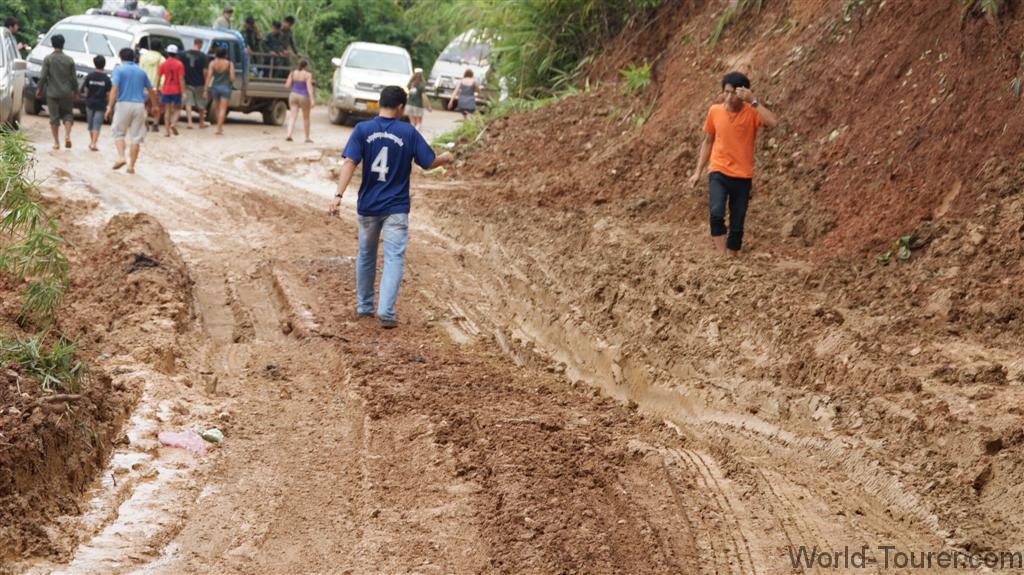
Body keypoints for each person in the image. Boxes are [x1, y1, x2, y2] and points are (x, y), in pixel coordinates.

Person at [329, 86, 455, 329]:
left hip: (368, 206)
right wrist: (446, 157)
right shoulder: (408, 132)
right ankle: (386, 311)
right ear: (401, 107)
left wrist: (338, 194)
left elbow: (349, 162)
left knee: (366, 255)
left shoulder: (362, 130)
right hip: (396, 207)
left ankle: (364, 306)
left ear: (379, 104)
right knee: (394, 257)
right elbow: (428, 162)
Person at [688, 71, 777, 256]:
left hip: (743, 175)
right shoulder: (715, 111)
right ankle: (722, 259)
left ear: (743, 93)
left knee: (737, 224)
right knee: (716, 212)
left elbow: (773, 122)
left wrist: (753, 101)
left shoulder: (752, 112)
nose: (728, 97)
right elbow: (708, 141)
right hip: (718, 171)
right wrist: (698, 172)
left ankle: (731, 259)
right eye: (726, 92)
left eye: (733, 93)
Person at [106, 47, 154, 174]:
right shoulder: (141, 71)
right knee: (136, 138)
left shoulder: (119, 70)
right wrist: (155, 105)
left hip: (123, 104)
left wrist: (109, 106)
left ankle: (122, 157)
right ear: (134, 58)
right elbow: (151, 90)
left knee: (118, 133)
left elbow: (114, 89)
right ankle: (131, 166)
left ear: (121, 57)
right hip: (139, 105)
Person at [36, 34, 77, 150]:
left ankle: (56, 143)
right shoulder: (69, 60)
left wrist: (39, 89)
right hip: (66, 92)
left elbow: (43, 76)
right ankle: (67, 136)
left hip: (52, 93)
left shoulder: (48, 59)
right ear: (63, 44)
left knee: (54, 117)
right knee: (68, 114)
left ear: (52, 44)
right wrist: (76, 91)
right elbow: (73, 78)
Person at [81, 55, 112, 151]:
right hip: (101, 104)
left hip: (90, 103)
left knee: (90, 124)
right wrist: (108, 104)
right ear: (104, 65)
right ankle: (94, 143)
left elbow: (85, 90)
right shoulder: (106, 78)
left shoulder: (89, 76)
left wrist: (88, 96)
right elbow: (108, 93)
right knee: (97, 124)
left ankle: (92, 142)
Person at [205, 47, 234, 135]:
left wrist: (205, 90)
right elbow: (232, 78)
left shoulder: (212, 63)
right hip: (225, 87)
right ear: (225, 54)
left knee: (217, 109)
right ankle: (219, 128)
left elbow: (209, 77)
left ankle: (219, 128)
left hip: (215, 87)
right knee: (223, 109)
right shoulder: (229, 64)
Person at [157, 44, 185, 136]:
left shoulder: (163, 64)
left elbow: (159, 77)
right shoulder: (179, 64)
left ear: (167, 53)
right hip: (176, 89)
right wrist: (183, 91)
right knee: (177, 109)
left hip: (166, 89)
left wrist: (157, 89)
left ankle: (166, 131)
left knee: (167, 110)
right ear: (176, 54)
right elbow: (181, 78)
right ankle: (173, 124)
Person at [182, 38, 209, 129]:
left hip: (187, 82)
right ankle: (201, 122)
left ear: (194, 43)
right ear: (200, 44)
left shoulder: (184, 54)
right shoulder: (203, 56)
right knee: (201, 103)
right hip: (199, 83)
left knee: (188, 103)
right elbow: (205, 72)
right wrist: (206, 84)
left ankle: (190, 122)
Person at [285, 59, 314, 143]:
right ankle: (307, 137)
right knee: (306, 118)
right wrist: (312, 99)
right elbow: (309, 88)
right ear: (306, 66)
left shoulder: (293, 73)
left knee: (292, 116)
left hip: (293, 95)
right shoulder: (307, 75)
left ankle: (289, 134)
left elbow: (287, 85)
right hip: (303, 96)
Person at [139, 40, 165, 132]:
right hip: (155, 87)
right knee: (156, 106)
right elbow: (162, 75)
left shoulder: (143, 57)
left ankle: (145, 118)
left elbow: (140, 70)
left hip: (143, 86)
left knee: (144, 106)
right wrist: (160, 87)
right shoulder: (161, 59)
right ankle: (155, 123)